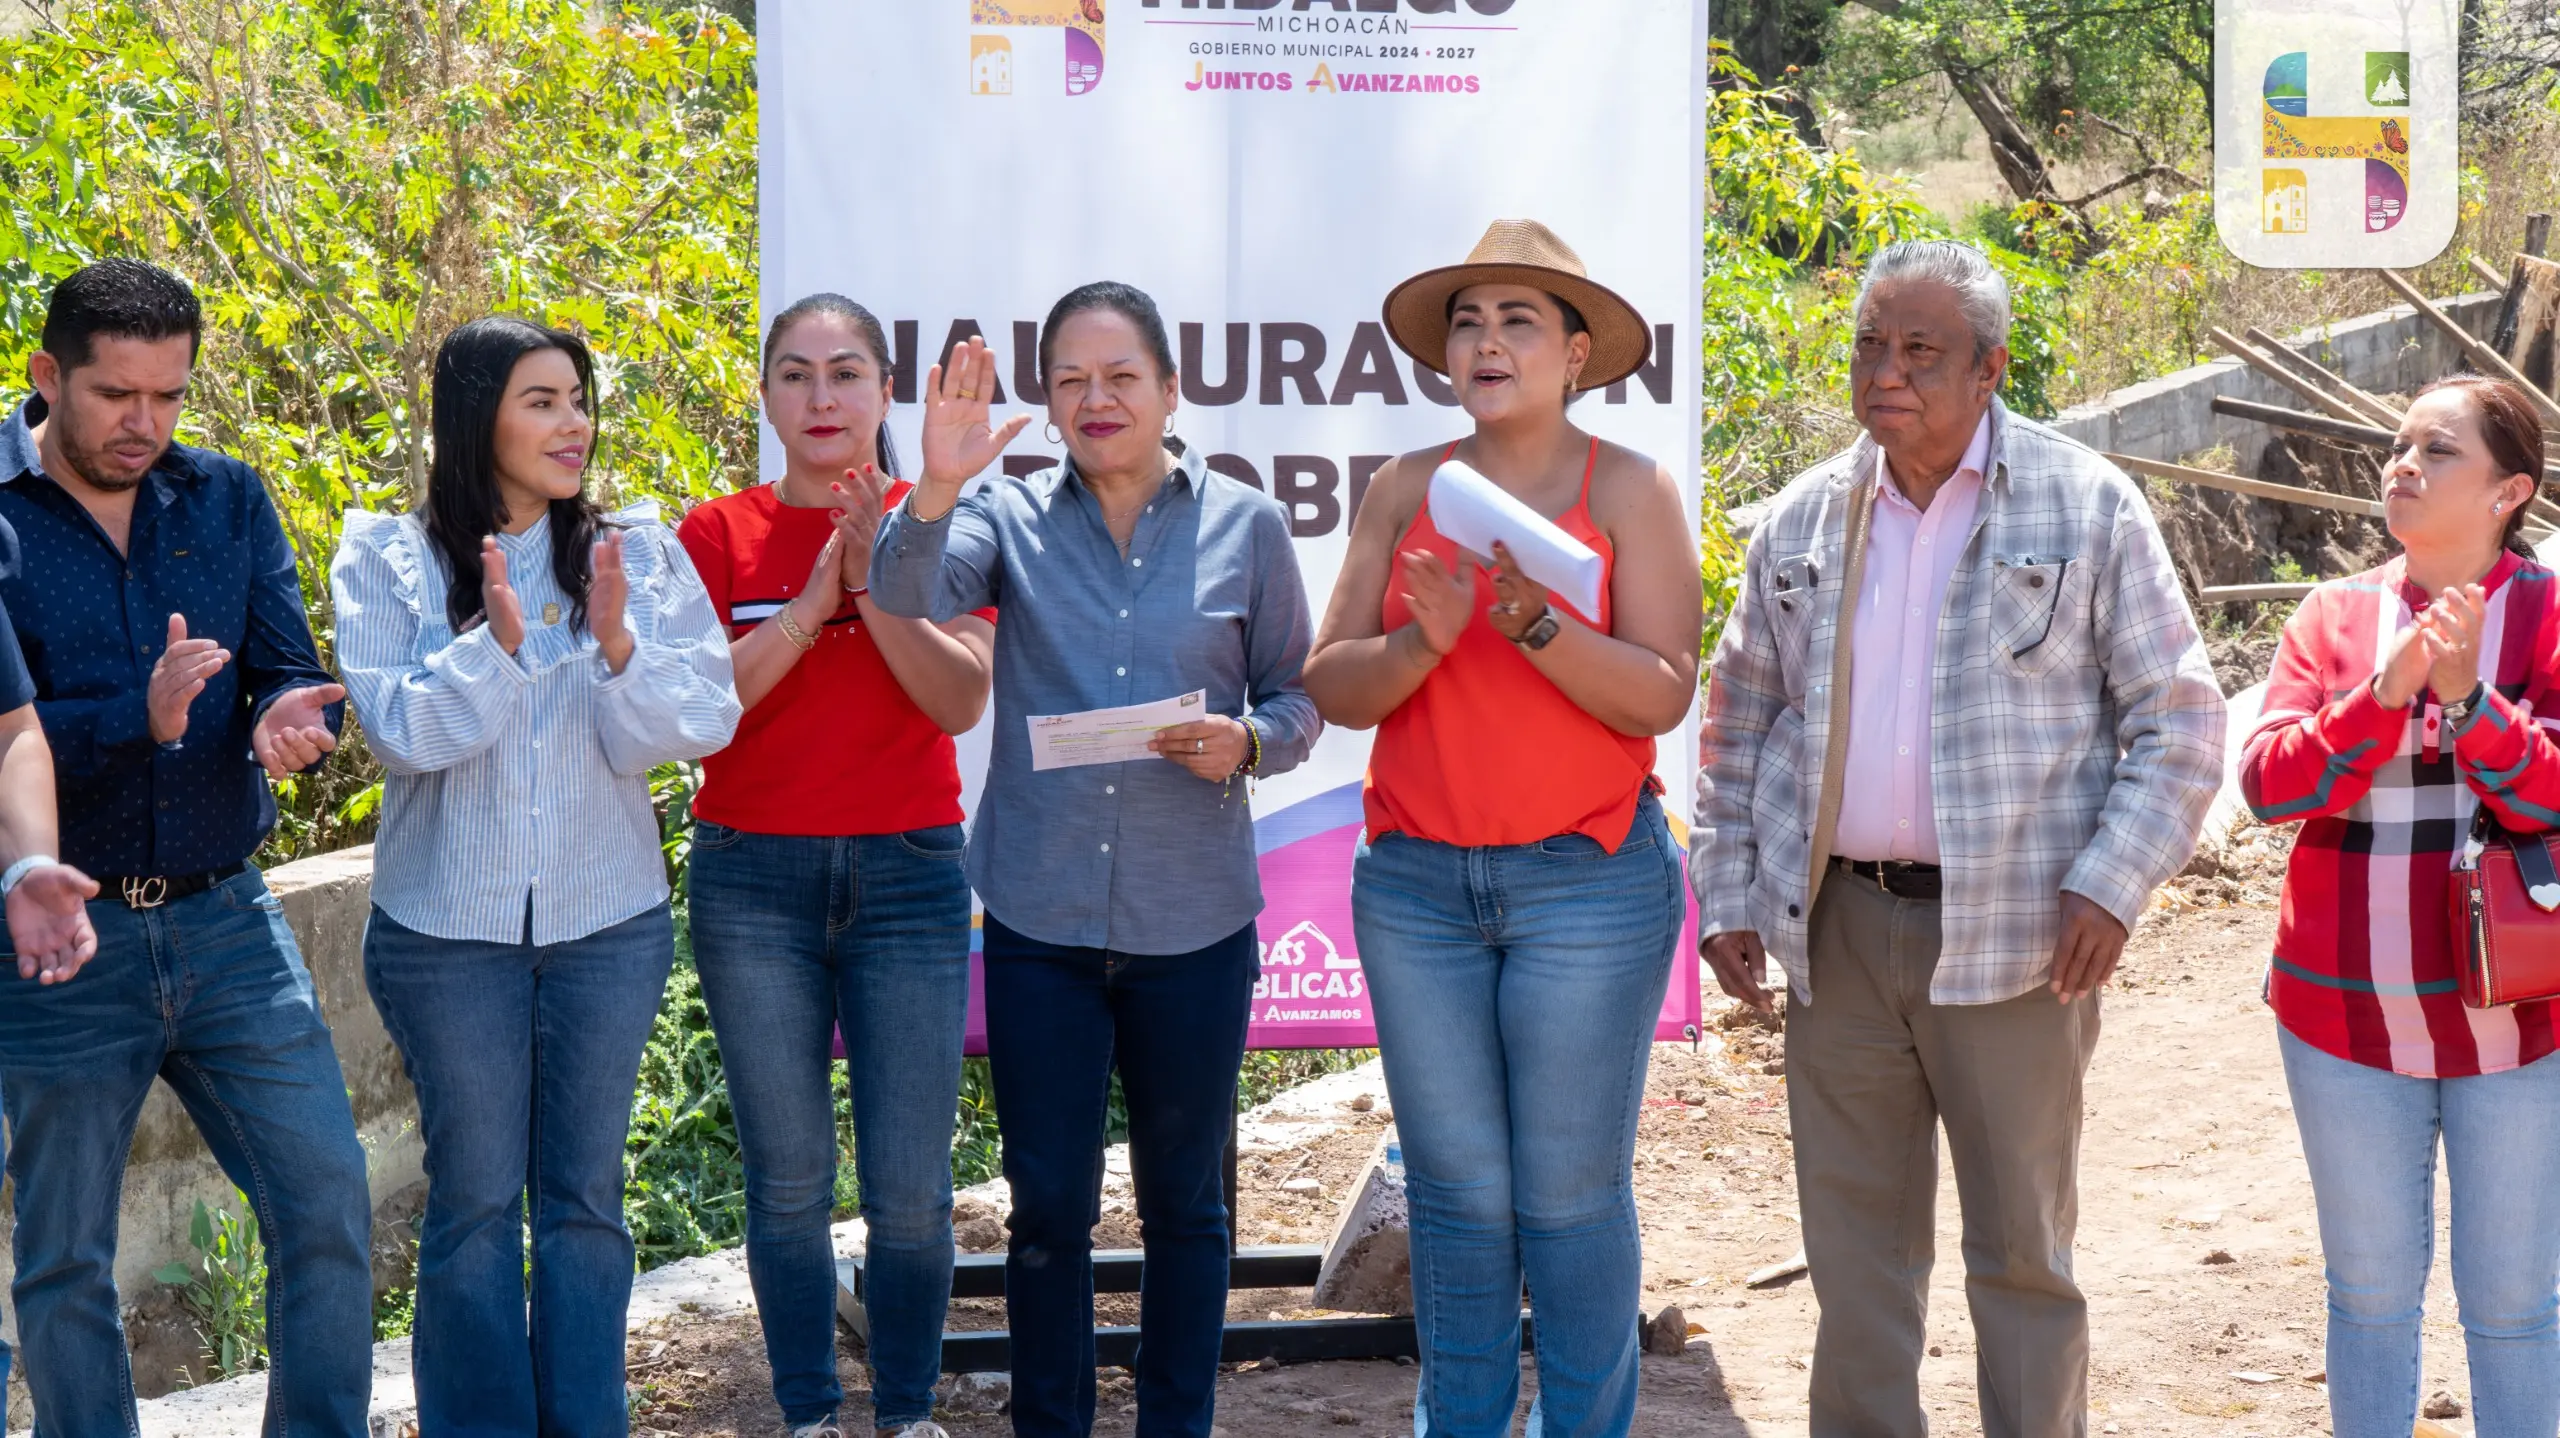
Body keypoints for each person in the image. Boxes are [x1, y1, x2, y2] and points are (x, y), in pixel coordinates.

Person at [1693, 239, 2225, 1437]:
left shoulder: (2084, 502)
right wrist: (1727, 887)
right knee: (1856, 1267)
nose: (1886, 372)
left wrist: (2110, 885)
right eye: (1869, 346)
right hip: (1838, 930)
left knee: (2023, 1258)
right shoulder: (1798, 520)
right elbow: (1739, 720)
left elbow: (2181, 719)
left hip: (2022, 936)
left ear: (1987, 370)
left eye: (1919, 350)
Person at [870, 283, 1321, 1438]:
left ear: (1172, 390)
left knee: (1185, 1208)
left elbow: (1297, 695)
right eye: (1070, 379)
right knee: (1047, 1210)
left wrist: (1249, 741)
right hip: (1041, 923)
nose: (1095, 398)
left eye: (1121, 375)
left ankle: (1176, 1423)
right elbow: (901, 587)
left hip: (1194, 921)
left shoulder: (1248, 525)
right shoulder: (1007, 517)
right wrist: (935, 477)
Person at [1298, 219, 1700, 1436]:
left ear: (1576, 353)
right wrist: (1423, 639)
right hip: (1417, 891)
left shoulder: (1627, 489)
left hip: (1587, 885)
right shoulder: (1405, 488)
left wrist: (1531, 621)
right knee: (1461, 1198)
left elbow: (1664, 689)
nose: (1486, 341)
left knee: (1570, 1199)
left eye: (1517, 320)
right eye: (1468, 321)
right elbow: (1330, 684)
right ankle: (1458, 1421)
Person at [330, 316, 741, 1435]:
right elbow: (403, 734)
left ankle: (586, 1422)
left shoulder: (632, 550)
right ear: (477, 418)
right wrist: (499, 645)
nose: (575, 425)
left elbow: (701, 720)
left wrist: (615, 647)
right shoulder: (387, 556)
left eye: (578, 398)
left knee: (586, 1200)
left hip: (607, 919)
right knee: (472, 1201)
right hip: (446, 931)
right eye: (542, 401)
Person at [0, 258, 375, 1435]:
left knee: (327, 1206)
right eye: (117, 395)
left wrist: (281, 713)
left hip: (229, 919)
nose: (145, 426)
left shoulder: (225, 498)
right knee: (63, 1257)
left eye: (169, 395)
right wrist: (137, 719)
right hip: (67, 940)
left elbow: (283, 661)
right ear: (45, 375)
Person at [677, 294, 995, 1438]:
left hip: (908, 876)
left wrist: (876, 581)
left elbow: (959, 697)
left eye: (847, 374)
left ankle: (905, 1414)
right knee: (791, 1180)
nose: (822, 398)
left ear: (883, 395)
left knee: (910, 1190)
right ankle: (810, 1413)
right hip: (751, 878)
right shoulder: (715, 535)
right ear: (765, 395)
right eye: (798, 375)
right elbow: (702, 715)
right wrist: (814, 602)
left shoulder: (947, 521)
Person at [2240, 376, 2560, 1438]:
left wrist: (2471, 702)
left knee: (2513, 1305)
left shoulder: (2550, 615)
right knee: (2368, 1296)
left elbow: (2551, 789)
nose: (2401, 466)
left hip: (2523, 1021)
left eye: (2436, 450)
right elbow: (2268, 785)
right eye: (2397, 443)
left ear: (2508, 488)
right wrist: (2379, 697)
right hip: (2343, 1013)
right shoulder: (2334, 615)